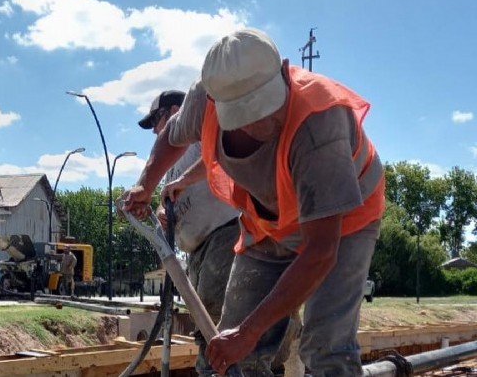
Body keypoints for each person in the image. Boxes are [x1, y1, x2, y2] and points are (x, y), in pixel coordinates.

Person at [123, 28, 385, 377]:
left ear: (283, 71)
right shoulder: (204, 99)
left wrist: (249, 333)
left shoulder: (319, 124)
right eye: (243, 115)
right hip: (268, 225)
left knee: (326, 350)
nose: (258, 124)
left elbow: (320, 251)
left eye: (263, 108)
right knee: (232, 350)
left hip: (345, 223)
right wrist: (145, 185)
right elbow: (172, 137)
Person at [133, 89, 240, 377]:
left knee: (212, 313)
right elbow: (167, 197)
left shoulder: (195, 135)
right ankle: (211, 370)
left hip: (224, 231)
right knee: (204, 314)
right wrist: (160, 212)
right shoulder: (171, 162)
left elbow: (216, 156)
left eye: (156, 120)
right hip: (196, 249)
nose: (156, 130)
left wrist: (182, 179)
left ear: (175, 111)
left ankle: (212, 372)